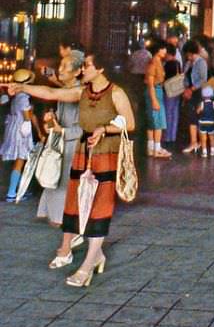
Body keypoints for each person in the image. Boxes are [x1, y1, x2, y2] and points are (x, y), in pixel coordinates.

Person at [9, 52, 135, 285]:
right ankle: (96, 255)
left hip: (105, 154)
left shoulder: (116, 93)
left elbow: (129, 122)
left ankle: (86, 266)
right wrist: (22, 88)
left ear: (100, 70)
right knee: (76, 204)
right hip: (82, 153)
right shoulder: (83, 92)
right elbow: (52, 92)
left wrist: (104, 129)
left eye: (87, 65)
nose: (83, 69)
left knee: (99, 206)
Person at [36, 49, 85, 226]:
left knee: (64, 180)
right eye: (60, 66)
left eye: (65, 66)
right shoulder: (65, 90)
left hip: (73, 144)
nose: (60, 70)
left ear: (78, 71)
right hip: (61, 142)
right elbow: (59, 113)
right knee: (54, 176)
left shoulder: (81, 92)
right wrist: (52, 118)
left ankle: (62, 217)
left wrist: (63, 131)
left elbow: (86, 127)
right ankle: (55, 214)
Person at [1, 68, 43, 202]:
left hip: (12, 128)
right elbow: (28, 116)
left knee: (18, 161)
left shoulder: (14, 96)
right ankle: (12, 192)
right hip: (21, 130)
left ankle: (16, 189)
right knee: (20, 161)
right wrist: (38, 131)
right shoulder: (24, 97)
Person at [181, 38, 210, 154]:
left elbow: (204, 80)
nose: (187, 56)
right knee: (191, 117)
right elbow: (185, 77)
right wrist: (186, 90)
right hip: (190, 93)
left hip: (198, 93)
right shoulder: (189, 63)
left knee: (197, 117)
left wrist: (191, 89)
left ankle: (198, 143)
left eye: (188, 54)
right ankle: (195, 142)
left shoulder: (201, 63)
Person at [144, 39, 170, 158]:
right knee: (158, 121)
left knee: (152, 121)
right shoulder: (154, 63)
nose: (165, 51)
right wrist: (154, 100)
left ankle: (151, 148)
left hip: (156, 91)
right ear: (157, 50)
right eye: (163, 48)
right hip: (154, 92)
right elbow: (150, 83)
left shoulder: (158, 61)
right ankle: (157, 149)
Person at [162, 41, 182, 148]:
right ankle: (172, 136)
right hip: (177, 91)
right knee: (175, 113)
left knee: (167, 113)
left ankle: (167, 137)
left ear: (169, 54)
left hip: (169, 91)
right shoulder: (178, 63)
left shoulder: (168, 64)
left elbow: (163, 78)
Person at [196, 84, 214, 157]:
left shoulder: (202, 104)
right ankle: (212, 150)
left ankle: (204, 152)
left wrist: (198, 109)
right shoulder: (213, 103)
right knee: (212, 138)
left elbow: (198, 111)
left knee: (203, 138)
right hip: (211, 122)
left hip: (203, 123)